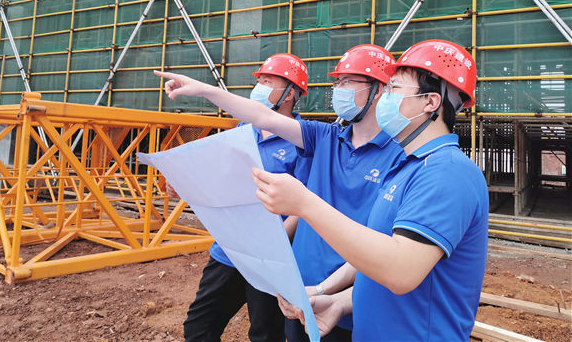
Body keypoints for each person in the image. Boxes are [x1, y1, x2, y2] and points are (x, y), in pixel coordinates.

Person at [157, 44, 405, 342]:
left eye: (348, 81)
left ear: (379, 90)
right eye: (338, 82)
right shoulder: (325, 137)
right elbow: (262, 118)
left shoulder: (399, 156)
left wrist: (320, 285)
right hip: (295, 282)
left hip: (341, 293)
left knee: (266, 332)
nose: (339, 90)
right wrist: (206, 91)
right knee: (203, 326)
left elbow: (384, 246)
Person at [253, 39, 489, 341]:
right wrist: (337, 300)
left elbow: (401, 271)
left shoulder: (446, 173)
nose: (385, 98)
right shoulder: (408, 166)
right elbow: (376, 255)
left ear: (430, 102)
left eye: (394, 89)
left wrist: (305, 204)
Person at [182, 53, 312, 342]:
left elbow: (305, 205)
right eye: (259, 81)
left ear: (291, 93)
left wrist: (273, 240)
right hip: (229, 251)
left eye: (268, 81)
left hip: (271, 258)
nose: (259, 87)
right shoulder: (244, 130)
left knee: (265, 334)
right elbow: (223, 179)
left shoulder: (303, 142)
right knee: (198, 328)